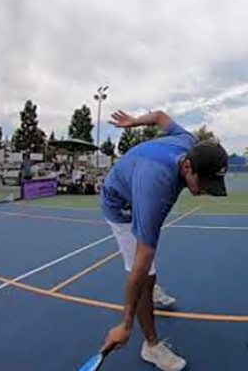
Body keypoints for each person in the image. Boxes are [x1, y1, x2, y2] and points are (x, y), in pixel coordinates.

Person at [100, 110, 228, 371]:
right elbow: (141, 262)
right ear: (187, 167)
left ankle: (151, 292)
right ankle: (151, 346)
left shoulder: (189, 142)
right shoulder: (155, 189)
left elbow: (159, 116)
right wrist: (125, 324)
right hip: (120, 206)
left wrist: (132, 123)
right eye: (203, 183)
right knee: (145, 277)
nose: (204, 191)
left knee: (149, 273)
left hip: (134, 180)